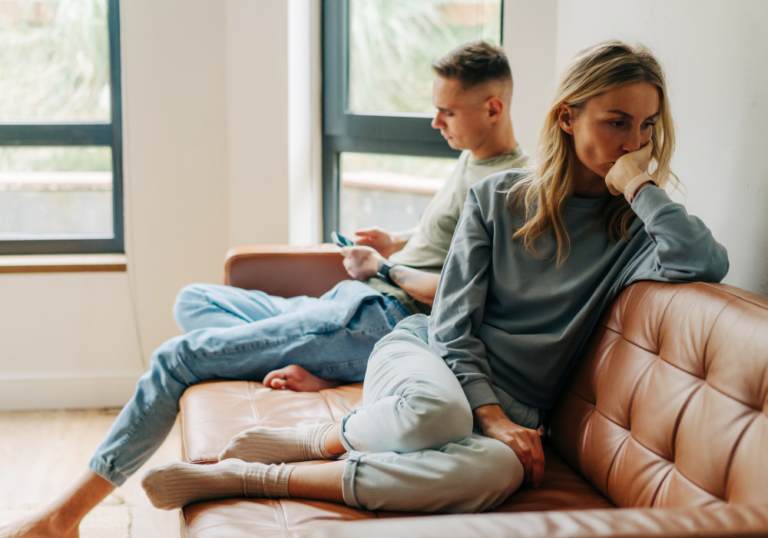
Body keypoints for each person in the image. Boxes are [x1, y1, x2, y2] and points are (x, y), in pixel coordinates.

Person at [139, 40, 728, 514]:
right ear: (567, 119)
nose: (635, 144)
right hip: (431, 360)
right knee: (440, 414)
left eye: (648, 127)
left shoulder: (632, 229)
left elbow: (703, 261)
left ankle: (259, 477)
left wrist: (640, 187)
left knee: (501, 471)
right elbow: (450, 325)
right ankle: (317, 440)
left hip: (516, 408)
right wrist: (489, 416)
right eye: (618, 123)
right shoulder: (498, 198)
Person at [0, 42, 528, 538]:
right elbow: (445, 239)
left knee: (177, 358)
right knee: (195, 300)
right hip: (350, 305)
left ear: (493, 108)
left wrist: (382, 269)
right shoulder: (472, 157)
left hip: (379, 317)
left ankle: (64, 516)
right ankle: (315, 358)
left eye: (448, 112)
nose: (435, 121)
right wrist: (396, 240)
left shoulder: (507, 188)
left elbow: (460, 296)